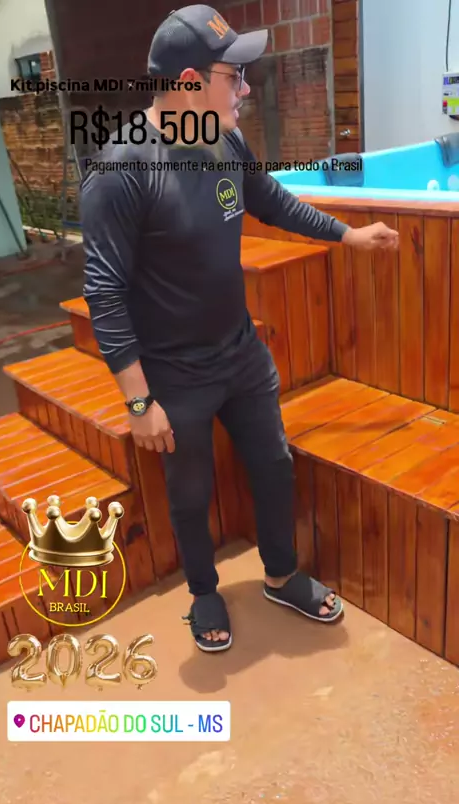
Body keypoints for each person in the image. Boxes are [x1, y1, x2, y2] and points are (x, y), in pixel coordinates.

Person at [80, 5, 399, 653]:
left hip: (241, 353)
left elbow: (270, 201)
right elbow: (103, 292)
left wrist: (348, 235)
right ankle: (203, 592)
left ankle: (280, 575)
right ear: (190, 82)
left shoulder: (224, 141)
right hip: (175, 373)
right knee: (190, 492)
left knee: (274, 465)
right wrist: (139, 402)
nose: (247, 90)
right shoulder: (123, 169)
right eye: (236, 76)